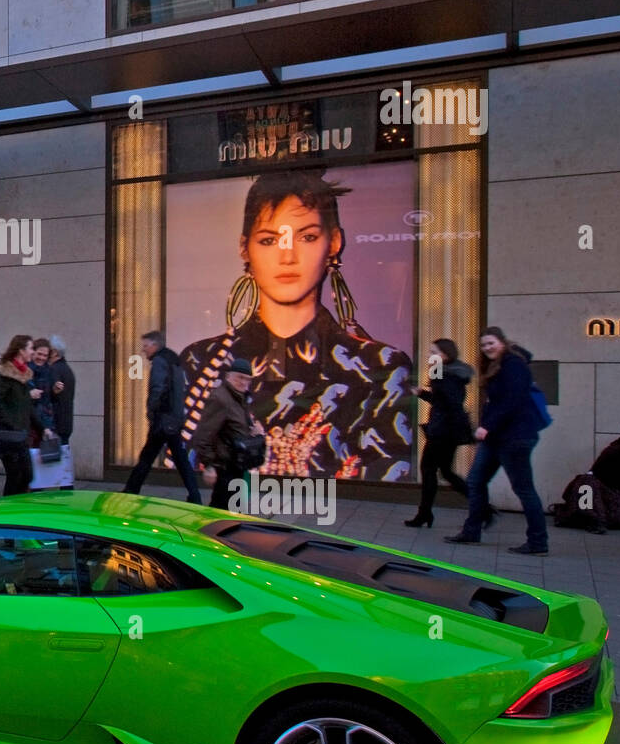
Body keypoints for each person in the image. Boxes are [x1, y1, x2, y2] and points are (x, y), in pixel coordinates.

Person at [180, 169, 413, 481]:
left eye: (307, 237)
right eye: (269, 239)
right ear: (245, 248)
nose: (287, 256)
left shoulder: (379, 368)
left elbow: (388, 478)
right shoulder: (200, 361)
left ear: (334, 242)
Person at [447, 327, 550, 555]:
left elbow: (511, 400)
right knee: (475, 481)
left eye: (491, 343)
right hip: (498, 437)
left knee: (523, 489)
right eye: (483, 345)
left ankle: (538, 541)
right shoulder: (499, 365)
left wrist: (486, 426)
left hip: (514, 437)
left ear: (502, 342)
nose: (487, 348)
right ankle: (471, 531)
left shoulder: (513, 364)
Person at [124, 330, 203, 505]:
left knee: (147, 458)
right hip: (173, 420)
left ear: (155, 345)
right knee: (180, 460)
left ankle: (131, 490)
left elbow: (157, 389)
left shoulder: (160, 361)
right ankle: (194, 494)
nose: (144, 350)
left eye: (146, 346)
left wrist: (151, 412)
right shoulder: (173, 359)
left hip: (162, 420)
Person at [405, 339, 474, 528]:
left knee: (430, 470)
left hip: (442, 432)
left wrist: (452, 429)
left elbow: (452, 405)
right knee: (444, 472)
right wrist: (421, 393)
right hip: (444, 431)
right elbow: (440, 400)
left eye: (433, 352)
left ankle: (425, 514)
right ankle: (482, 507)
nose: (429, 355)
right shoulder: (444, 372)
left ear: (444, 355)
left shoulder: (448, 376)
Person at [194, 358, 263, 509]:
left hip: (236, 464)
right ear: (228, 376)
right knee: (223, 510)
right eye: (240, 377)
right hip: (224, 467)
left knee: (229, 509)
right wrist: (209, 465)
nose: (244, 382)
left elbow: (234, 427)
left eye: (248, 379)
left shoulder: (239, 397)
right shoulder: (220, 398)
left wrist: (253, 432)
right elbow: (204, 433)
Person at [0, 335, 50, 497]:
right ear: (21, 351)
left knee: (25, 475)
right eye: (31, 348)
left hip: (21, 434)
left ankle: (11, 507)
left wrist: (42, 428)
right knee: (17, 475)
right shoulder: (6, 374)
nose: (32, 352)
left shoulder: (23, 374)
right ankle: (7, 511)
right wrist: (11, 423)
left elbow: (27, 407)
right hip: (9, 435)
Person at [48, 335, 76, 453]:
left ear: (54, 352)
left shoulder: (54, 369)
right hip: (65, 422)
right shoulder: (67, 369)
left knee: (53, 461)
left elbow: (53, 394)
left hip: (56, 422)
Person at [31, 338, 57, 440]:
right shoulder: (25, 370)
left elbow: (48, 401)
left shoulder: (49, 371)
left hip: (44, 421)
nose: (41, 358)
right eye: (39, 354)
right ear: (33, 353)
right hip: (27, 422)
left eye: (45, 355)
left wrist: (55, 391)